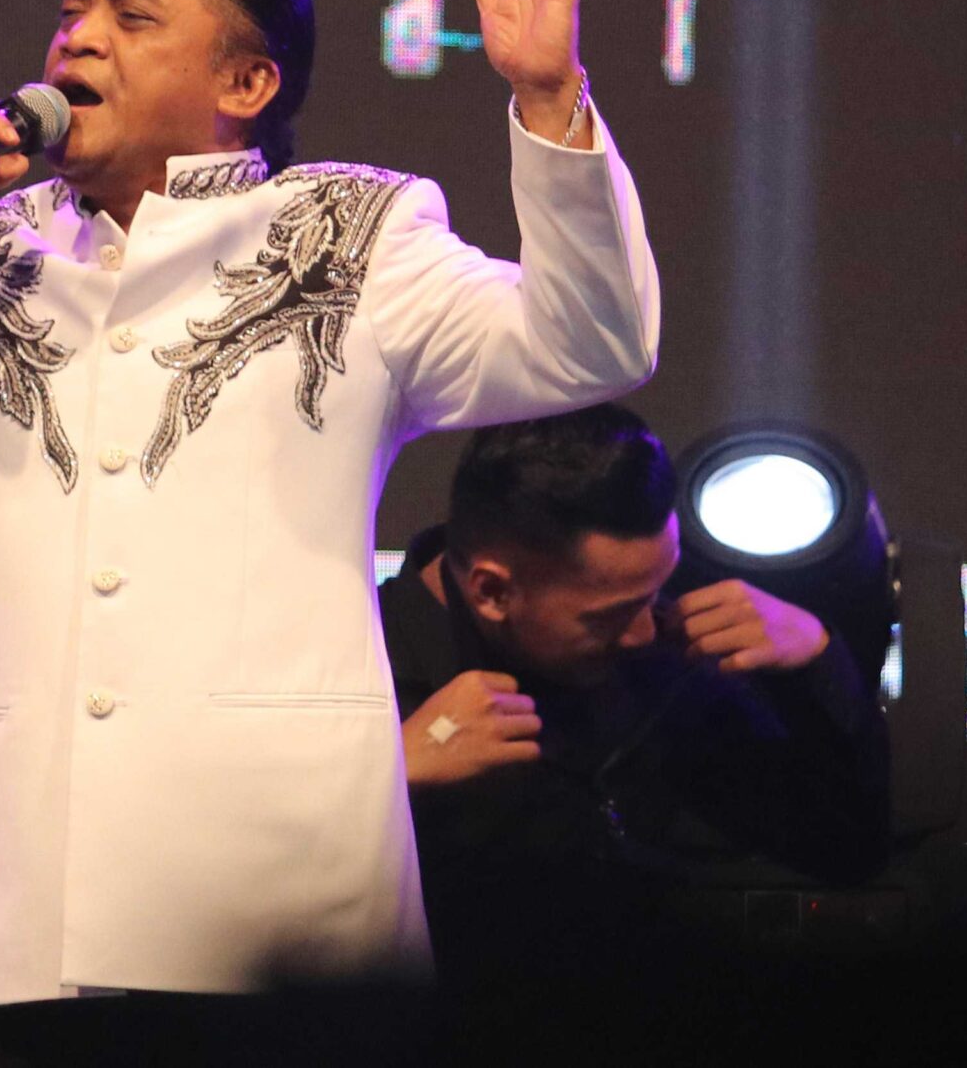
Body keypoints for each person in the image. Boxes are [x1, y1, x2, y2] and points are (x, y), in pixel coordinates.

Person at [0, 0, 660, 1051]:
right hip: (1, 920)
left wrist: (548, 96)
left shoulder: (353, 237)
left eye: (132, 16)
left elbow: (592, 343)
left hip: (268, 921)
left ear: (245, 81)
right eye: (74, 8)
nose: (79, 37)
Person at [381, 404, 889, 986]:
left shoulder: (657, 657)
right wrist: (380, 783)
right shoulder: (357, 679)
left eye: (656, 590)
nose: (646, 630)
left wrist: (818, 657)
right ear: (492, 593)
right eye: (611, 613)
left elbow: (846, 848)